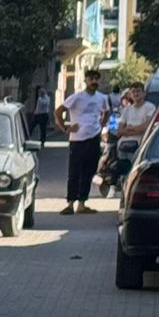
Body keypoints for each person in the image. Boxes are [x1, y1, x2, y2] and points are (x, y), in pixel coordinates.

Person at [57, 68, 114, 214]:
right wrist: (65, 128)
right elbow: (58, 111)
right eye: (91, 79)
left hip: (93, 138)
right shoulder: (77, 97)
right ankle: (70, 203)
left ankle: (82, 203)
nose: (94, 82)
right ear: (86, 81)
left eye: (96, 79)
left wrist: (101, 125)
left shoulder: (101, 98)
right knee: (74, 172)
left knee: (88, 172)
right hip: (77, 140)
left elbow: (107, 112)